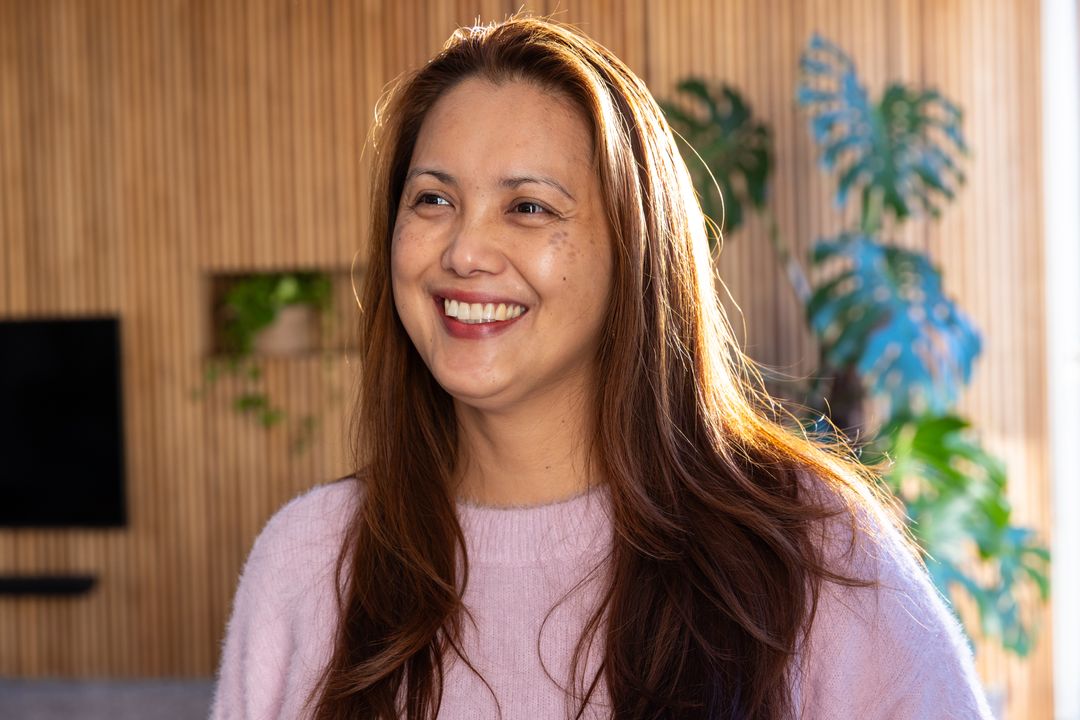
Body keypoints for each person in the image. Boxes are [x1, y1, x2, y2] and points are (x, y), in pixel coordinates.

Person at [210, 15, 993, 720]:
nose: (463, 252)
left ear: (635, 253)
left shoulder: (808, 548)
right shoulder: (309, 561)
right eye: (432, 200)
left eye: (528, 207)